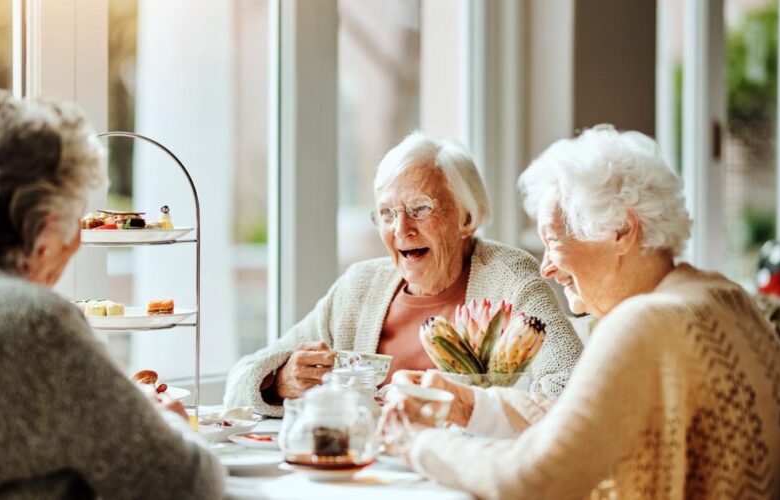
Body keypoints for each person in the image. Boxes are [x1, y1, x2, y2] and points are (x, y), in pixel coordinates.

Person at [380, 125, 780, 499]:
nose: (546, 267)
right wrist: (466, 403)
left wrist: (417, 443)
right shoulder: (720, 295)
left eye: (554, 241)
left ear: (622, 231)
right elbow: (582, 424)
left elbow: (533, 478)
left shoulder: (645, 324)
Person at [0, 88, 224, 499]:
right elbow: (186, 482)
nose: (77, 240)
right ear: (43, 234)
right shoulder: (31, 320)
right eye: (77, 222)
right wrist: (164, 419)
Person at [224, 132, 583, 416]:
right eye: (386, 213)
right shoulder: (359, 288)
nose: (401, 229)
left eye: (421, 208)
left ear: (467, 218)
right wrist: (280, 382)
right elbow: (240, 381)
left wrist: (471, 409)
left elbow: (573, 387)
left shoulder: (510, 279)